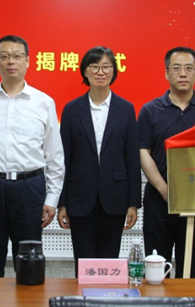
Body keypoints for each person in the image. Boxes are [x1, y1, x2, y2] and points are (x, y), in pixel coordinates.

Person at [0, 34, 65, 277]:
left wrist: (52, 198)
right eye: (4, 56)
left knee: (28, 262)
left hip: (29, 187)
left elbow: (54, 156)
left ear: (28, 61)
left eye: (17, 56)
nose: (11, 61)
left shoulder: (43, 102)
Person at [57, 46, 140, 276]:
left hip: (115, 197)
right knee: (84, 264)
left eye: (106, 67)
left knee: (109, 262)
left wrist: (133, 203)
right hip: (79, 197)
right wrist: (62, 203)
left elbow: (132, 158)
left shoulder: (126, 109)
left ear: (114, 71)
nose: (100, 72)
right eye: (94, 66)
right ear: (85, 71)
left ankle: (107, 296)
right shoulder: (72, 109)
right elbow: (64, 159)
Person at [138, 46, 195, 278]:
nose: (183, 73)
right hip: (158, 199)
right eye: (177, 68)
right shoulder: (150, 110)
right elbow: (143, 152)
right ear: (166, 73)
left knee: (189, 269)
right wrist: (164, 190)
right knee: (156, 269)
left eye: (189, 68)